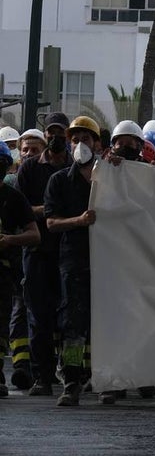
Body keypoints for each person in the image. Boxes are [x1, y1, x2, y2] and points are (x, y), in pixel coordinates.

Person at [43, 116, 102, 406]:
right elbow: (51, 223)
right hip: (75, 261)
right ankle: (71, 380)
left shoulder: (112, 177)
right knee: (73, 324)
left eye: (86, 139)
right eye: (75, 139)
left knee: (109, 320)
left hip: (110, 261)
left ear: (97, 143)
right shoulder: (59, 181)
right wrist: (79, 221)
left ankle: (108, 380)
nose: (80, 144)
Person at [15, 112, 71, 396]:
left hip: (69, 253)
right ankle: (42, 377)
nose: (55, 137)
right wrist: (52, 211)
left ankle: (73, 375)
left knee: (70, 319)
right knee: (38, 317)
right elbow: (20, 209)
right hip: (37, 252)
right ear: (45, 134)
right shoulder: (29, 170)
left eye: (60, 132)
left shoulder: (78, 167)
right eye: (51, 132)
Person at [0, 144, 40, 397]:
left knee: (2, 324)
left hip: (3, 272)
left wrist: (9, 240)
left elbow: (34, 234)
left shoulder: (13, 198)